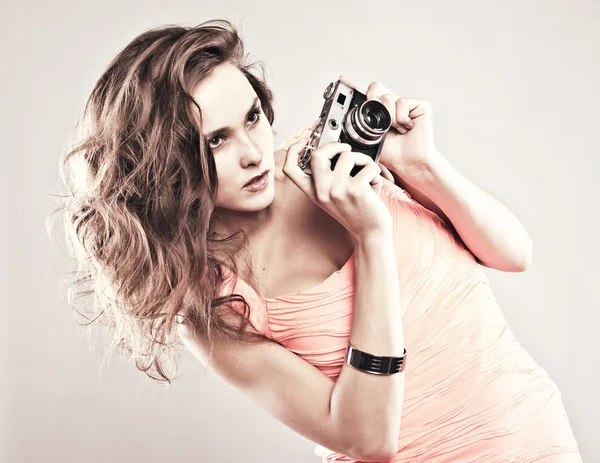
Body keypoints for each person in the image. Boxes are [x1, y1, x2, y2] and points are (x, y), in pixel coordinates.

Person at [54, 19, 582, 462]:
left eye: (253, 117)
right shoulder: (212, 303)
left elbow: (514, 254)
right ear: (162, 166)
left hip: (540, 439)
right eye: (216, 140)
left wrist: (423, 168)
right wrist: (371, 236)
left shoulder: (327, 157)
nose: (254, 153)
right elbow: (366, 439)